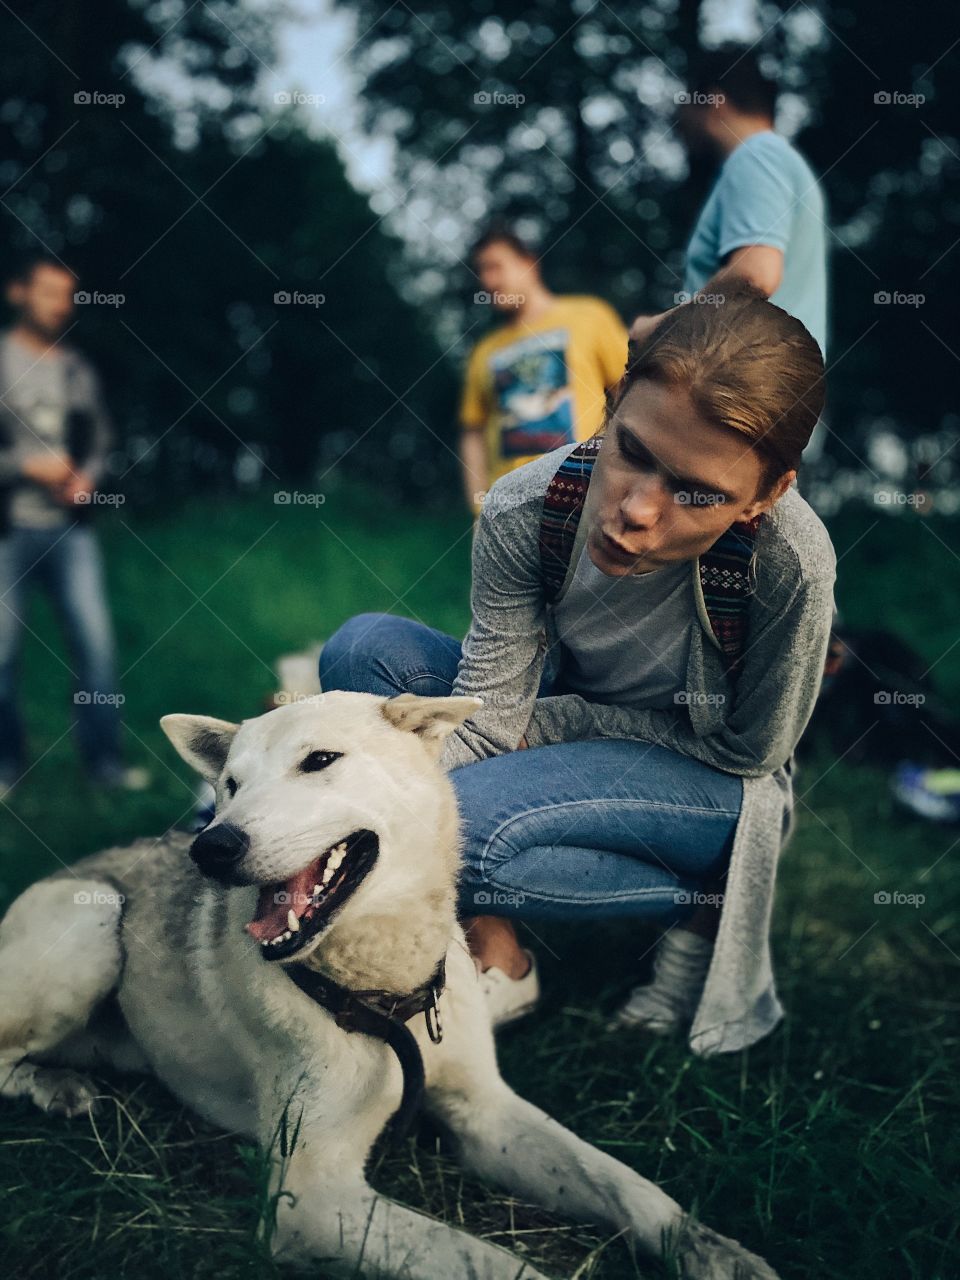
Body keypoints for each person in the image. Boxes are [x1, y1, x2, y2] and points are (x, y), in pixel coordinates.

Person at [320, 282, 836, 1057]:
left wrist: (560, 725)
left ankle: (702, 907)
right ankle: (499, 953)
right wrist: (323, 805)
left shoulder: (789, 566)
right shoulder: (525, 508)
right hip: (545, 724)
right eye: (632, 452)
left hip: (709, 778)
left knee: (467, 828)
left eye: (699, 494)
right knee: (361, 654)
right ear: (615, 397)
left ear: (766, 494)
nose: (636, 509)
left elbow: (752, 752)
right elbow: (493, 715)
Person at [0, 254, 142, 795]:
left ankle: (105, 767)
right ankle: (6, 765)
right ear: (19, 293)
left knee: (97, 649)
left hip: (71, 531)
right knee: (2, 654)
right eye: (49, 292)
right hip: (8, 530)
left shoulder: (77, 369)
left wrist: (86, 477)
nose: (61, 305)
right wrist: (23, 466)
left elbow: (101, 441)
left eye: (67, 295)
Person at [632, 48, 828, 411]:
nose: (679, 118)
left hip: (739, 400)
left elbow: (756, 273)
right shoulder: (779, 161)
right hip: (768, 400)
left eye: (686, 104)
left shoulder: (755, 157)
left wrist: (659, 328)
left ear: (714, 101)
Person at [459, 225, 629, 516]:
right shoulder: (484, 350)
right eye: (481, 272)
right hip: (507, 508)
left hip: (583, 499)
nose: (488, 281)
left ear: (529, 264)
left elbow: (631, 392)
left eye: (496, 267)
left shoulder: (589, 315)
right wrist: (481, 507)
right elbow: (473, 430)